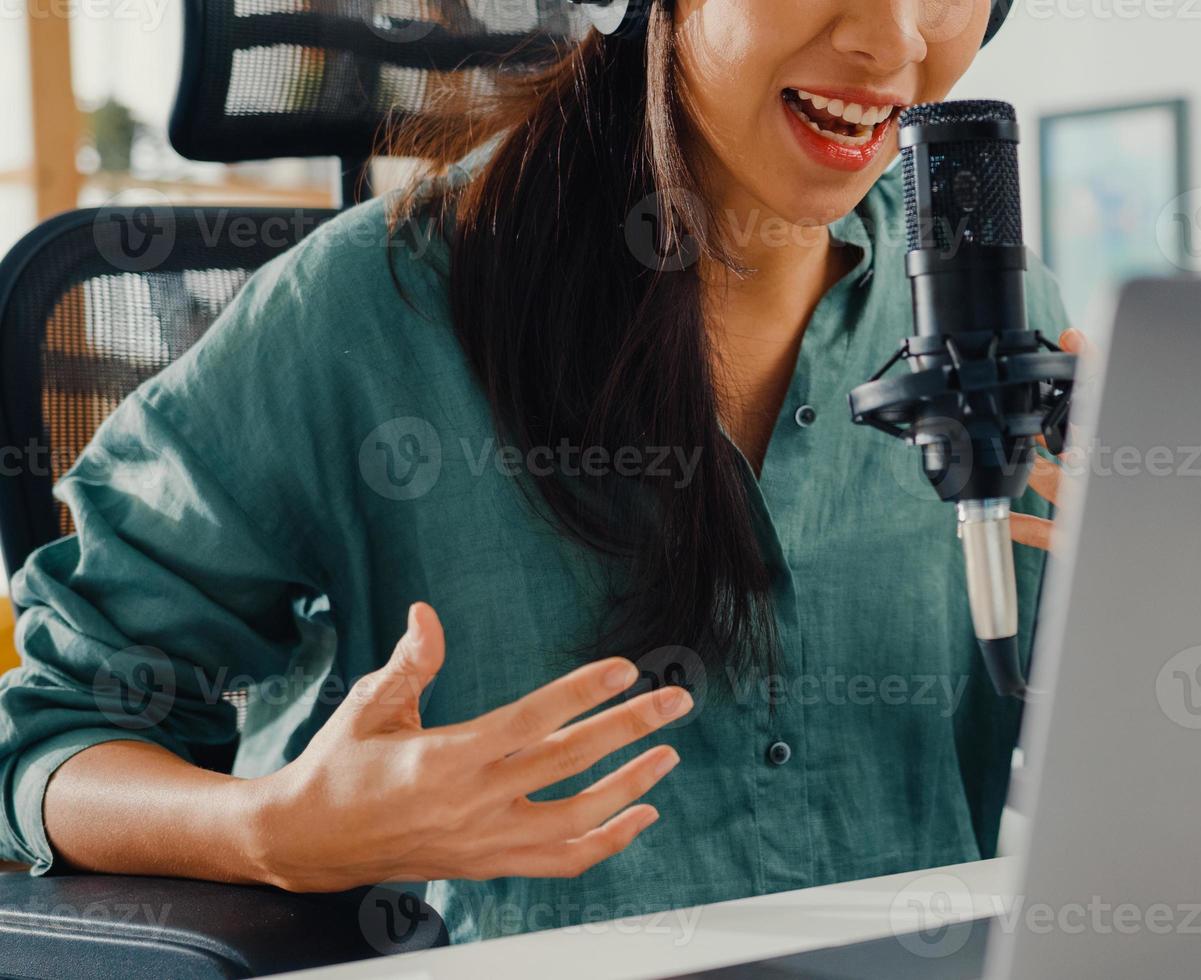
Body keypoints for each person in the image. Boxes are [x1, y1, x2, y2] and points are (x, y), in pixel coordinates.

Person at [0, 0, 1078, 943]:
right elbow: (49, 732)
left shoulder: (1004, 317)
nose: (892, 36)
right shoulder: (365, 311)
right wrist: (276, 829)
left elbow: (1085, 737)